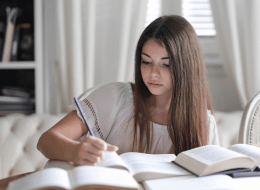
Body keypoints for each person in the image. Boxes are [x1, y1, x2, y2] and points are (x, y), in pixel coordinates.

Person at [37, 15, 220, 166]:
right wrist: (75, 151)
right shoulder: (115, 98)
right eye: (146, 62)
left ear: (186, 67)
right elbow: (46, 141)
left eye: (166, 64)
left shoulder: (203, 123)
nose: (153, 73)